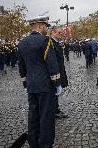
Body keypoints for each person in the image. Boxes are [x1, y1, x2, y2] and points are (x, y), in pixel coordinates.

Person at [18, 16, 62, 148]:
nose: (46, 29)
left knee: (33, 116)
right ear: (40, 26)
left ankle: (33, 143)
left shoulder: (22, 42)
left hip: (31, 85)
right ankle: (45, 144)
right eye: (46, 26)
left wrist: (26, 83)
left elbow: (21, 66)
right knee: (46, 117)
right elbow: (52, 64)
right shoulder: (45, 41)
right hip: (45, 85)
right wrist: (57, 83)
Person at [51, 26, 69, 119]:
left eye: (61, 33)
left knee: (56, 93)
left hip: (59, 71)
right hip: (55, 72)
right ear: (53, 33)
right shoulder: (51, 43)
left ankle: (55, 109)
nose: (61, 34)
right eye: (59, 33)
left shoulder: (56, 43)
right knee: (54, 92)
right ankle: (55, 111)